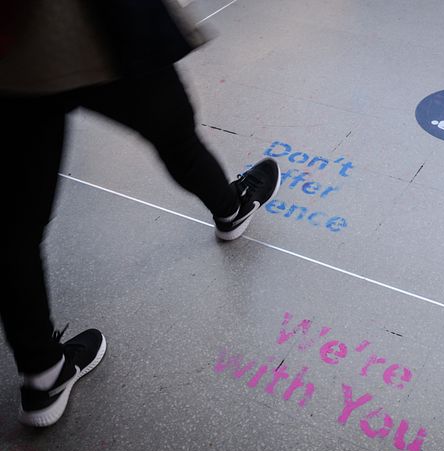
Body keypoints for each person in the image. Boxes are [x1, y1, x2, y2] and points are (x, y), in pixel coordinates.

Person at [0, 0, 281, 427]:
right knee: (176, 138)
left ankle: (43, 375)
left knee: (15, 225)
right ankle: (231, 208)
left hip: (13, 61)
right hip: (92, 33)